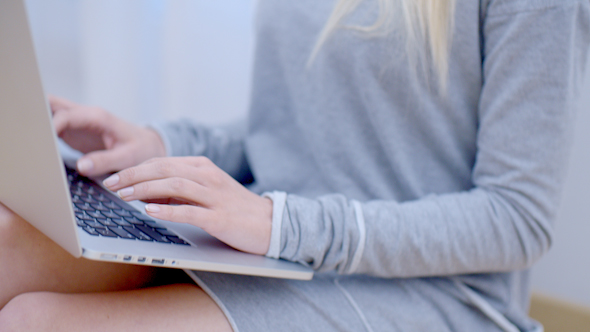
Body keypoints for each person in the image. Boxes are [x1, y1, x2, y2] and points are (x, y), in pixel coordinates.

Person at [0, 0, 589, 331]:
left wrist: (284, 225)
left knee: (35, 323)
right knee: (7, 246)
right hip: (279, 248)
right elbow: (289, 129)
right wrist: (162, 144)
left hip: (430, 291)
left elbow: (517, 219)